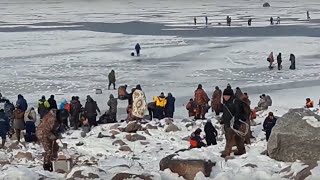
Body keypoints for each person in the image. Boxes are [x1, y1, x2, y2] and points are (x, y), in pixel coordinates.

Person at [220, 88, 246, 157]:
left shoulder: (235, 102)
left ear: (230, 96)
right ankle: (241, 150)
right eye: (224, 95)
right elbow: (226, 113)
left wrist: (236, 123)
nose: (225, 97)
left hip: (234, 123)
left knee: (231, 138)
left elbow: (238, 113)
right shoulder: (226, 103)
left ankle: (227, 152)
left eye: (227, 96)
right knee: (235, 137)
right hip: (228, 123)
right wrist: (223, 119)